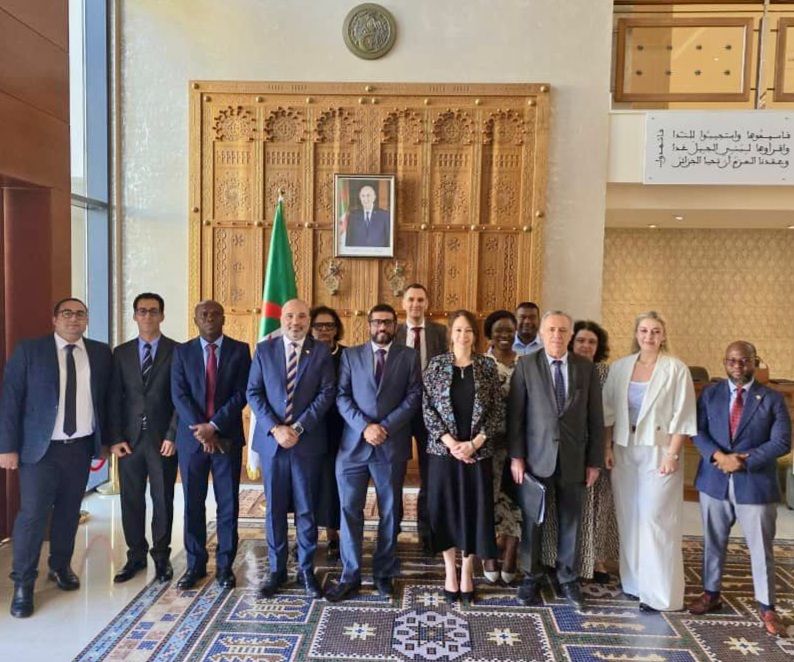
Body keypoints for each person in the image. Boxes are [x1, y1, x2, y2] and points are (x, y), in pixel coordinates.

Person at [0, 298, 112, 618]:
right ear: (54, 319)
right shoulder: (30, 351)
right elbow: (10, 400)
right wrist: (6, 447)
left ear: (86, 320)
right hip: (40, 451)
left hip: (80, 448)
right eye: (67, 313)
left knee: (68, 512)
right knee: (33, 515)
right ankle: (23, 582)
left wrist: (107, 441)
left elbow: (107, 400)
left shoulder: (100, 353)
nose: (73, 319)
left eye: (80, 314)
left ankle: (60, 566)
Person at [689, 341, 791, 636]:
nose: (738, 366)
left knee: (761, 547)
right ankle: (711, 594)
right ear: (724, 362)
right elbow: (697, 430)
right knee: (713, 541)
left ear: (754, 362)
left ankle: (767, 607)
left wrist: (742, 462)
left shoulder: (772, 398)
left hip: (755, 483)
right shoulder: (710, 394)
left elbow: (782, 441)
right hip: (714, 480)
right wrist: (720, 457)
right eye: (732, 360)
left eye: (744, 360)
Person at [508, 310, 603, 609]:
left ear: (571, 335)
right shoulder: (526, 365)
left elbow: (595, 418)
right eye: (551, 329)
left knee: (571, 520)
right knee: (532, 522)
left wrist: (594, 461)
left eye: (563, 330)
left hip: (574, 459)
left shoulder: (586, 369)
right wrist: (516, 457)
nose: (557, 335)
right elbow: (515, 416)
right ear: (541, 333)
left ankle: (567, 577)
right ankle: (530, 577)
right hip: (536, 459)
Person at [602, 310, 696, 612]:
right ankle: (634, 584)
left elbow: (683, 416)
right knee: (630, 517)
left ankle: (660, 594)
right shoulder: (620, 367)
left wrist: (672, 454)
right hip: (624, 449)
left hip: (660, 451)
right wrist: (607, 447)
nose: (649, 336)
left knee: (657, 519)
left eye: (655, 331)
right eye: (644, 330)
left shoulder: (676, 369)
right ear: (636, 334)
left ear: (663, 335)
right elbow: (608, 412)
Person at [327, 303, 421, 602]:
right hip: (353, 446)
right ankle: (350, 575)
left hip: (391, 446)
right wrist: (365, 427)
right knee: (349, 510)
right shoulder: (351, 356)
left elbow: (414, 396)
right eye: (377, 322)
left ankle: (383, 573)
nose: (382, 327)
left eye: (388, 322)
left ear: (395, 325)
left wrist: (385, 427)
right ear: (368, 325)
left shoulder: (409, 356)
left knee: (390, 512)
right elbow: (341, 396)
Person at [247, 299, 335, 599]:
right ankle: (277, 571)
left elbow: (326, 393)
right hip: (272, 444)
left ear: (308, 320)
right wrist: (276, 428)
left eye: (301, 317)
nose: (295, 322)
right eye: (289, 316)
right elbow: (253, 392)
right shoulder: (264, 350)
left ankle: (306, 570)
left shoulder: (321, 351)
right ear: (280, 319)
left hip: (306, 443)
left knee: (306, 509)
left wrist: (297, 428)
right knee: (274, 510)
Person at [423, 310, 504, 604]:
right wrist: (452, 444)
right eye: (458, 330)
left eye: (468, 330)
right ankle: (450, 571)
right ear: (450, 334)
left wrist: (474, 444)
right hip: (443, 454)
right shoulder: (436, 365)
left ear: (475, 335)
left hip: (477, 454)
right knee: (445, 510)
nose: (463, 335)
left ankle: (468, 570)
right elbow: (427, 408)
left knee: (473, 511)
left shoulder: (486, 365)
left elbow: (497, 409)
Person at [171, 300, 251, 590]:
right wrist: (202, 430)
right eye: (203, 314)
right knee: (193, 504)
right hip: (192, 441)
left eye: (215, 314)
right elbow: (179, 395)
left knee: (227, 504)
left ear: (224, 318)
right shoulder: (182, 352)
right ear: (195, 319)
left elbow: (242, 393)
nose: (209, 318)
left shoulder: (240, 350)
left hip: (226, 439)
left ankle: (225, 567)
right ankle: (195, 565)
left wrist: (214, 426)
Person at [108, 292, 179, 584]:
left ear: (162, 315)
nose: (147, 316)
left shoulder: (177, 351)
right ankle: (135, 555)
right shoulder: (121, 353)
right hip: (129, 441)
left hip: (163, 440)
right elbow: (114, 398)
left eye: (153, 311)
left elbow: (181, 399)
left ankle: (161, 556)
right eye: (142, 311)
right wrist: (115, 437)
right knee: (131, 499)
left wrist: (173, 435)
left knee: (163, 498)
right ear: (135, 316)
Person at [541, 320, 618, 583]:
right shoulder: (563, 367)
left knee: (595, 509)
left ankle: (594, 560)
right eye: (581, 340)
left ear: (599, 347)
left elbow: (606, 417)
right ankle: (554, 559)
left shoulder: (605, 373)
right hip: (561, 450)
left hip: (594, 449)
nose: (586, 346)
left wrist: (603, 449)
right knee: (560, 510)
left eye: (592, 342)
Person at [394, 282, 447, 551]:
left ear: (427, 303)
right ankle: (392, 530)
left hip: (433, 413)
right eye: (411, 299)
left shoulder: (441, 332)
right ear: (403, 304)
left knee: (431, 473)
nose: (415, 304)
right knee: (395, 472)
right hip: (400, 411)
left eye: (420, 300)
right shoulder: (393, 332)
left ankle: (427, 532)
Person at [481, 309, 522, 585]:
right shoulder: (481, 363)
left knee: (516, 497)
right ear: (490, 334)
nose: (504, 335)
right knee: (488, 498)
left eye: (509, 330)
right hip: (488, 444)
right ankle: (488, 553)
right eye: (499, 330)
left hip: (519, 445)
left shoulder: (526, 364)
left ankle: (511, 552)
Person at [309, 305, 347, 561]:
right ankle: (308, 535)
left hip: (339, 428)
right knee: (309, 484)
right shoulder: (304, 354)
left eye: (329, 326)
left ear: (336, 329)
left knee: (334, 484)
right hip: (310, 428)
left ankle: (334, 534)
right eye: (319, 326)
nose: (324, 330)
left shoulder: (347, 355)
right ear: (311, 329)